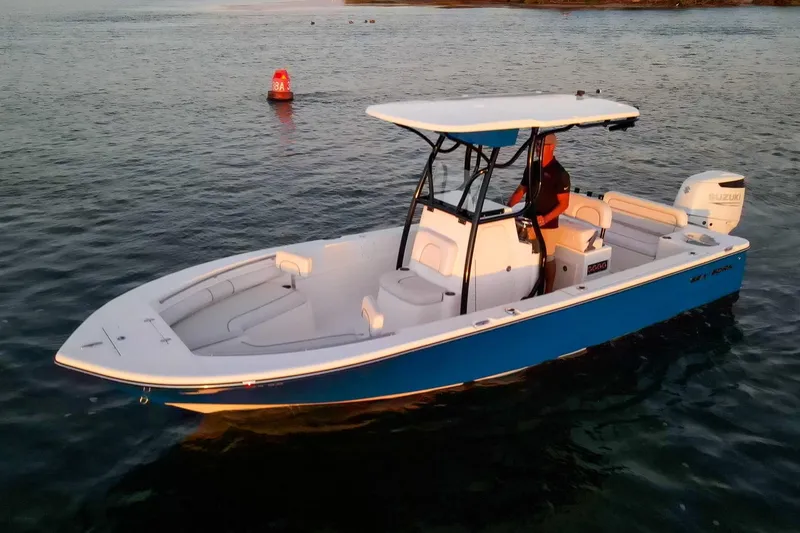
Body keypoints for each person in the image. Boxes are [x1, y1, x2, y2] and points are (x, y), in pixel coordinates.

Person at [508, 133, 570, 294]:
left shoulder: (560, 173)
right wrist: (505, 209)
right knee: (526, 254)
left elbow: (564, 204)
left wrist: (545, 218)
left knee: (548, 257)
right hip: (528, 219)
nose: (537, 148)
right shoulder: (532, 167)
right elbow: (520, 191)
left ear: (552, 147)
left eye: (541, 145)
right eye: (536, 145)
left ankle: (548, 291)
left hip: (547, 224)